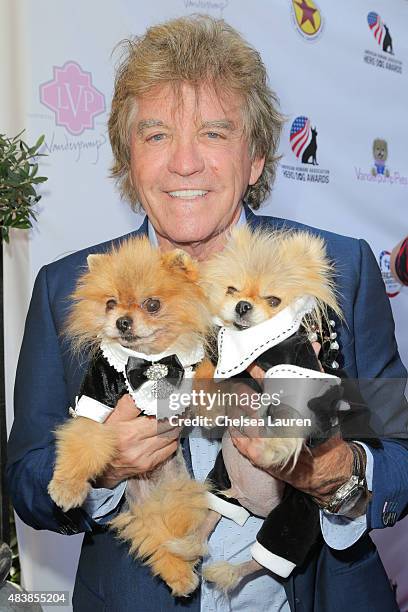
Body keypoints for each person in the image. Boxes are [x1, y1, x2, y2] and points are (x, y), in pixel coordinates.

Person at [6, 15, 408, 612]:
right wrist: (103, 468)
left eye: (215, 133)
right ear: (127, 161)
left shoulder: (333, 269)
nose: (185, 162)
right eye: (157, 134)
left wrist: (340, 471)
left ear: (254, 160)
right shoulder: (71, 287)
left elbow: (397, 432)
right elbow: (26, 478)